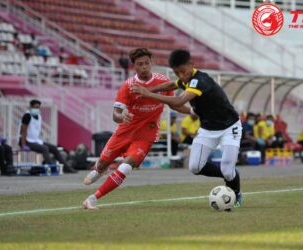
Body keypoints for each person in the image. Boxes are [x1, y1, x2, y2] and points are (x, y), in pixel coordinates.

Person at [82, 48, 191, 209]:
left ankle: (92, 198)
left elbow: (175, 104)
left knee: (126, 166)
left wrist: (195, 111)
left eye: (147, 63)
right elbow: (115, 114)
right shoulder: (128, 86)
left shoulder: (163, 82)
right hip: (124, 132)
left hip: (146, 134)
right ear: (134, 67)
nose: (145, 67)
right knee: (103, 164)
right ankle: (100, 170)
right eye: (140, 64)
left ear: (151, 63)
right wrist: (122, 116)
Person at [132, 49, 243, 207]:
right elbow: (171, 84)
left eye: (183, 71)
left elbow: (178, 101)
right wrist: (148, 90)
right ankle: (230, 174)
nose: (181, 76)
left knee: (226, 168)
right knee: (195, 167)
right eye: (177, 73)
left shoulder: (200, 80)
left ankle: (236, 192)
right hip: (207, 129)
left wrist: (148, 94)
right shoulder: (185, 79)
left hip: (230, 126)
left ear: (192, 64)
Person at [19, 99, 77, 173]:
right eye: (35, 107)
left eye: (38, 107)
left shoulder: (38, 116)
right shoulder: (27, 116)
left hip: (35, 141)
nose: (37, 109)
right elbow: (23, 131)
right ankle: (52, 168)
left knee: (54, 148)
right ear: (31, 106)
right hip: (26, 141)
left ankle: (67, 168)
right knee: (44, 148)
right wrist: (23, 144)